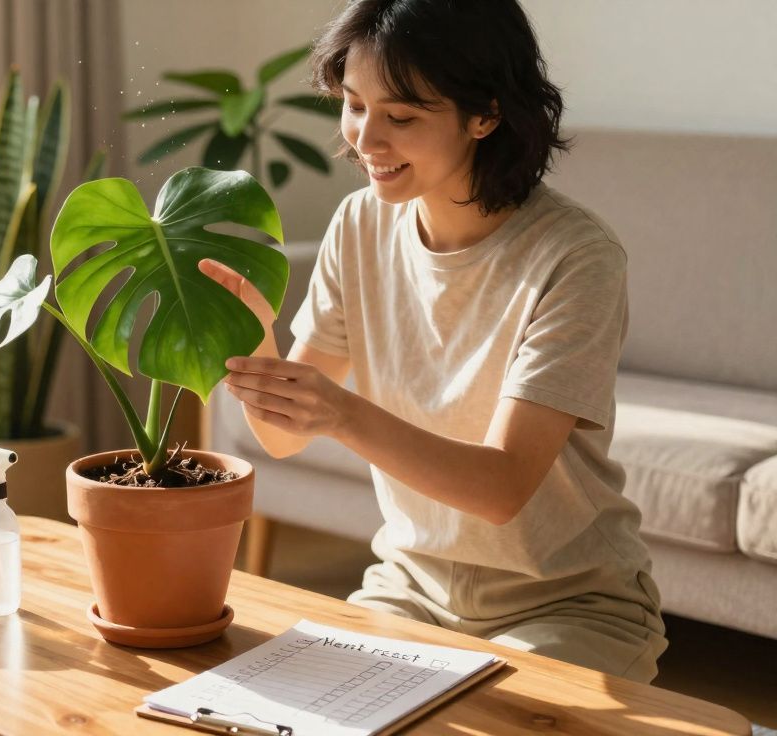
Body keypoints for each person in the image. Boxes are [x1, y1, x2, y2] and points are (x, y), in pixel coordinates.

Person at [199, 0, 668, 683]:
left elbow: (502, 486)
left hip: (570, 605)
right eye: (355, 105)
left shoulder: (575, 256)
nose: (365, 140)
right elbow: (280, 440)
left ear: (485, 113)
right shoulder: (360, 224)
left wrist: (343, 411)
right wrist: (257, 349)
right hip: (410, 590)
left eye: (402, 117)